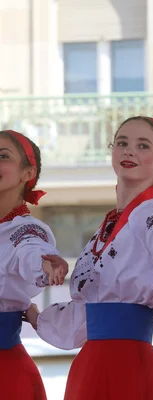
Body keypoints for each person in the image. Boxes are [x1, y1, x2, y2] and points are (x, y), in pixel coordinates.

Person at [26, 116, 153, 400]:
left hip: (129, 362)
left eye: (143, 145)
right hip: (90, 363)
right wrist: (36, 317)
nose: (129, 151)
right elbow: (86, 310)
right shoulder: (104, 231)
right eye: (122, 143)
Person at [0, 130, 68, 400]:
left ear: (27, 173)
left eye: (3, 156)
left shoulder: (26, 230)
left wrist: (45, 265)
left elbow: (31, 251)